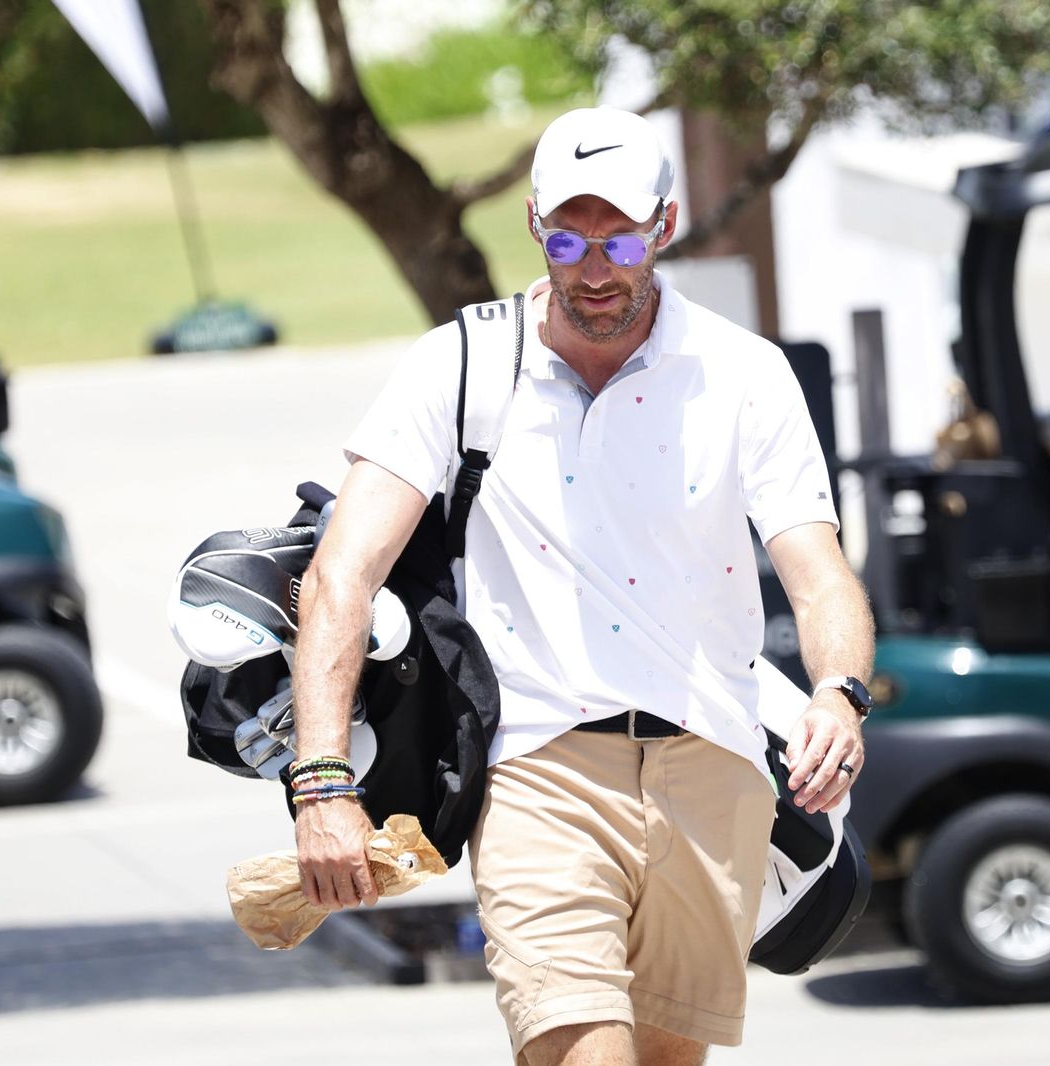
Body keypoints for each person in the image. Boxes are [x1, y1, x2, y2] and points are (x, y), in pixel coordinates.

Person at [289, 106, 875, 1066]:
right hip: (539, 766)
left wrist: (838, 694)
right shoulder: (460, 365)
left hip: (713, 765)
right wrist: (321, 782)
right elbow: (340, 576)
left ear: (664, 226)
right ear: (533, 225)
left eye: (620, 240)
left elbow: (820, 576)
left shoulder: (745, 374)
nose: (594, 268)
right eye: (567, 238)